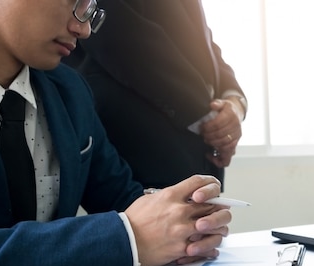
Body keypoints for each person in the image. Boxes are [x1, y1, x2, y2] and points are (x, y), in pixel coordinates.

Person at [0, 0, 232, 266]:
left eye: (90, 10)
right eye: (75, 3)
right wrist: (122, 239)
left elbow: (122, 199)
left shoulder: (70, 91)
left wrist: (182, 224)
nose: (83, 29)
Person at [66, 0, 247, 190]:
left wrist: (234, 102)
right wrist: (210, 122)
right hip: (141, 151)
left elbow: (204, 44)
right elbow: (119, 35)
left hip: (196, 155)